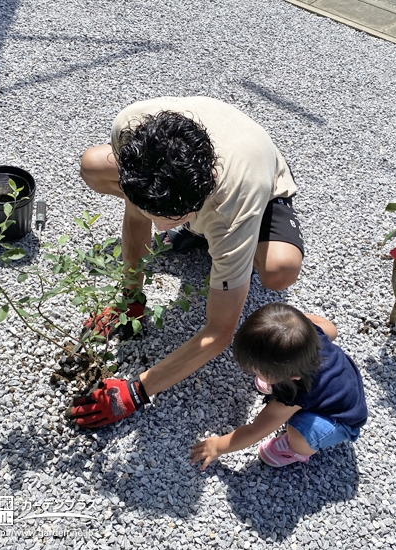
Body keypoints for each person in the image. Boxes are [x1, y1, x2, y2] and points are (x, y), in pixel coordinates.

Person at [67, 96, 304, 428]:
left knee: (280, 270)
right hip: (198, 178)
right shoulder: (131, 129)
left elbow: (219, 331)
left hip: (260, 177)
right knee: (92, 164)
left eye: (173, 219)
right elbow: (136, 215)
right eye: (158, 217)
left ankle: (208, 234)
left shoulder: (234, 210)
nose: (163, 230)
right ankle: (195, 228)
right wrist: (130, 299)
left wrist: (136, 391)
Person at [190, 303, 368, 469]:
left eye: (257, 370)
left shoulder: (295, 393)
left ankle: (297, 451)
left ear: (291, 377)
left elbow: (256, 429)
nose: (252, 371)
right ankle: (276, 378)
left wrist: (218, 446)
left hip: (342, 420)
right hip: (345, 382)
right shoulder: (310, 334)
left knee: (299, 434)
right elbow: (332, 329)